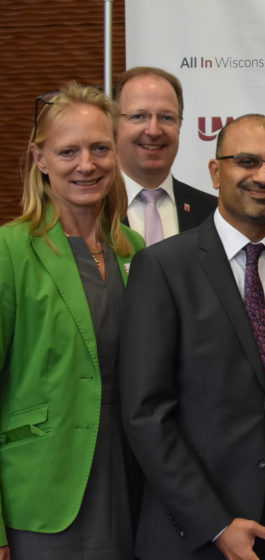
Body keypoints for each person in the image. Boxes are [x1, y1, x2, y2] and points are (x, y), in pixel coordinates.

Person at [120, 114, 265, 560]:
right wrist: (215, 524)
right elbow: (145, 413)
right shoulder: (163, 267)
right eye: (247, 161)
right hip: (190, 534)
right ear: (216, 172)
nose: (264, 176)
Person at [0, 83, 145, 559]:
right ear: (40, 159)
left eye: (100, 148)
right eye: (68, 151)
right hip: (40, 497)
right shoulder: (10, 251)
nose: (87, 165)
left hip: (130, 487)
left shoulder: (137, 252)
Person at [113, 66, 217, 245]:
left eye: (166, 118)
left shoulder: (213, 214)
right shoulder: (91, 209)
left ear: (180, 125)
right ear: (114, 124)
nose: (153, 131)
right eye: (139, 116)